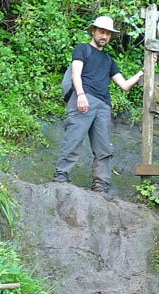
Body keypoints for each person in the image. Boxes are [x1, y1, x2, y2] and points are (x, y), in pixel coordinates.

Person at [53, 15, 144, 193]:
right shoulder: (82, 49)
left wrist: (143, 72)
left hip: (103, 106)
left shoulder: (109, 61)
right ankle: (61, 179)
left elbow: (124, 85)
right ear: (93, 31)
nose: (104, 36)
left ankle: (100, 186)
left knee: (103, 147)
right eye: (101, 32)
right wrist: (80, 94)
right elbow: (75, 74)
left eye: (108, 33)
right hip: (83, 97)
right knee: (74, 139)